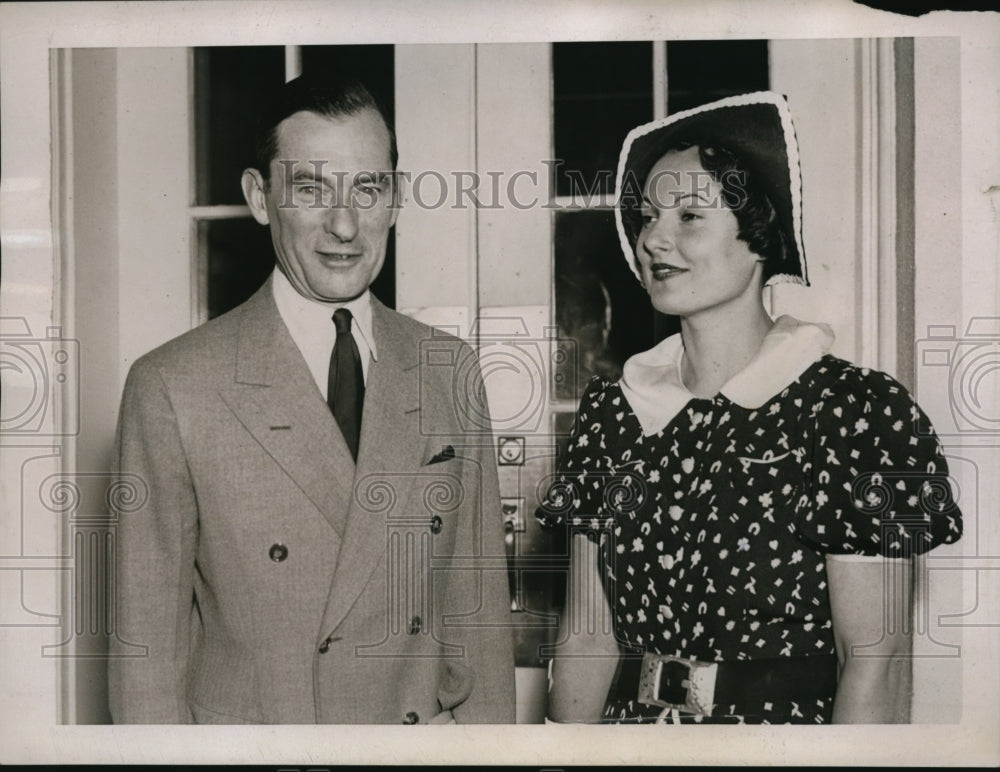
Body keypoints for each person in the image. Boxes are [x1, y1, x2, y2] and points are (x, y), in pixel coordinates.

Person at [537, 91, 962, 724]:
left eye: (688, 216)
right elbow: (588, 639)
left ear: (758, 232)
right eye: (648, 216)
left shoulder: (854, 413)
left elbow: (875, 660)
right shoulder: (614, 413)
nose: (653, 238)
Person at [108, 73, 515, 724]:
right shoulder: (173, 386)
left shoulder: (449, 370)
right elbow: (145, 667)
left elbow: (481, 624)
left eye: (367, 187)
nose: (345, 224)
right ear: (260, 197)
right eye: (311, 188)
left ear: (396, 198)